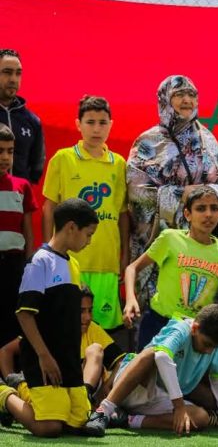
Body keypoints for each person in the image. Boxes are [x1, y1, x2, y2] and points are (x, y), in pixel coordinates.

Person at [126, 75, 218, 321]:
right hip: (159, 244)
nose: (187, 100)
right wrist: (181, 194)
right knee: (159, 317)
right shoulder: (148, 142)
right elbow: (137, 191)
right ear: (165, 100)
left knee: (200, 317)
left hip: (202, 247)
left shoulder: (208, 140)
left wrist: (204, 194)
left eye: (192, 95)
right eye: (179, 95)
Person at [0, 198, 98, 437]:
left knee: (77, 423)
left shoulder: (74, 264)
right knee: (49, 427)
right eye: (88, 234)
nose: (89, 241)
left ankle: (30, 391)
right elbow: (24, 314)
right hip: (43, 361)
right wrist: (44, 356)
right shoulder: (39, 261)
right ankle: (6, 393)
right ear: (71, 227)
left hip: (68, 362)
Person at [41, 95, 129, 334]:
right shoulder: (63, 159)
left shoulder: (119, 164)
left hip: (106, 263)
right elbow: (49, 208)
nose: (96, 129)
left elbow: (122, 214)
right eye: (90, 122)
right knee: (67, 328)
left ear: (111, 125)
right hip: (69, 261)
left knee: (105, 334)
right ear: (78, 124)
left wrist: (125, 256)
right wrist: (48, 252)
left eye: (102, 122)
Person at [84, 304, 218, 436]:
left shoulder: (215, 346)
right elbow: (161, 357)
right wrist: (179, 406)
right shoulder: (180, 328)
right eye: (207, 344)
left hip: (160, 398)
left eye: (214, 347)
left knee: (201, 417)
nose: (209, 351)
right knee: (151, 354)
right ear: (194, 328)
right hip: (131, 388)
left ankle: (127, 420)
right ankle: (103, 412)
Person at [123, 186, 218, 349]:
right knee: (147, 365)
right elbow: (132, 268)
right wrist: (130, 300)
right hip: (159, 323)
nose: (208, 214)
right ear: (187, 214)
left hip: (196, 331)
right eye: (200, 208)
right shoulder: (170, 238)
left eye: (214, 208)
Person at [0, 288, 126, 407]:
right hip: (50, 393)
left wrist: (108, 385)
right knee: (46, 421)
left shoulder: (93, 329)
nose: (88, 317)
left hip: (82, 396)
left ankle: (84, 396)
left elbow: (122, 361)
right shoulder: (48, 328)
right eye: (81, 311)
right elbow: (6, 351)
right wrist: (13, 383)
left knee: (95, 349)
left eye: (90, 310)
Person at [0, 125, 36, 348]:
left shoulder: (22, 186)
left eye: (10, 151)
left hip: (14, 266)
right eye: (0, 151)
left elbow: (28, 231)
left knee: (12, 323)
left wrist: (30, 267)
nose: (5, 157)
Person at [0, 49, 45, 184]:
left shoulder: (32, 121)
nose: (13, 79)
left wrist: (21, 187)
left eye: (18, 73)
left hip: (18, 196)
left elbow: (37, 166)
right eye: (7, 72)